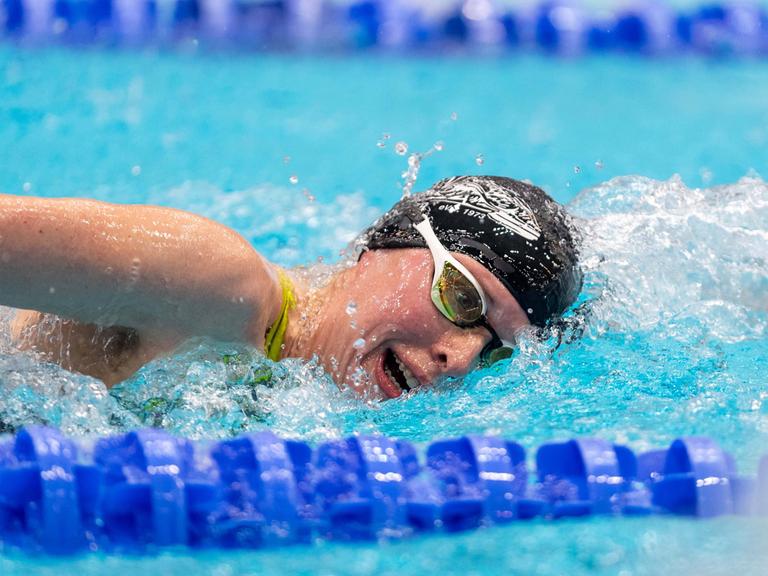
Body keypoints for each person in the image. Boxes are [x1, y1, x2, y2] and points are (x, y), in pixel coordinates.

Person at [0, 175, 581, 400]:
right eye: (462, 299)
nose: (458, 358)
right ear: (387, 243)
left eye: (493, 350)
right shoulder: (212, 284)